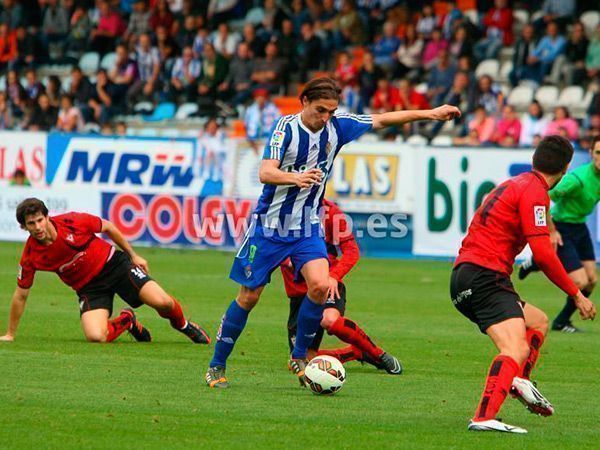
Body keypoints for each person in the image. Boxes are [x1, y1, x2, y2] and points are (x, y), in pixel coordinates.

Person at [205, 76, 460, 389]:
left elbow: (382, 118)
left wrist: (431, 113)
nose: (325, 117)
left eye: (331, 111)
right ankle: (216, 365)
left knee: (320, 285)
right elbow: (264, 172)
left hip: (307, 225)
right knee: (249, 296)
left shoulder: (337, 126)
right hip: (270, 226)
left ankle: (300, 356)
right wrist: (294, 178)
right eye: (320, 110)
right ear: (305, 103)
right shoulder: (285, 128)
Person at [450, 136, 596, 433]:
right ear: (566, 167)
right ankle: (483, 417)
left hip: (469, 274)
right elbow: (543, 254)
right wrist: (576, 294)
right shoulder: (534, 191)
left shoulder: (515, 183)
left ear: (535, 159)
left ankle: (519, 380)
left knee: (538, 321)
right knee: (515, 348)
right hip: (484, 276)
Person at [0, 198, 211, 345]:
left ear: (47, 217)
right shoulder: (31, 255)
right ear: (24, 227)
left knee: (162, 302)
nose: (37, 227)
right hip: (89, 288)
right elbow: (21, 295)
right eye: (31, 224)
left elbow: (108, 227)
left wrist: (133, 255)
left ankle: (183, 326)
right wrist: (10, 333)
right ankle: (127, 321)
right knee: (96, 336)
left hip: (115, 266)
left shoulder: (73, 221)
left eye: (39, 220)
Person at [282, 199, 402, 374]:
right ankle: (354, 352)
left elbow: (352, 250)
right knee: (303, 362)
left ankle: (378, 354)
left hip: (325, 285)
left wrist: (333, 276)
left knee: (328, 319)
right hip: (299, 295)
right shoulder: (279, 212)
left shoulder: (330, 212)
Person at [519, 136, 600, 333]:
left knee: (592, 280)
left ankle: (562, 321)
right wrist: (552, 231)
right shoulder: (577, 179)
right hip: (562, 227)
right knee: (579, 281)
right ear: (591, 154)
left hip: (580, 227)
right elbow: (543, 197)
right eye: (598, 153)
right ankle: (537, 261)